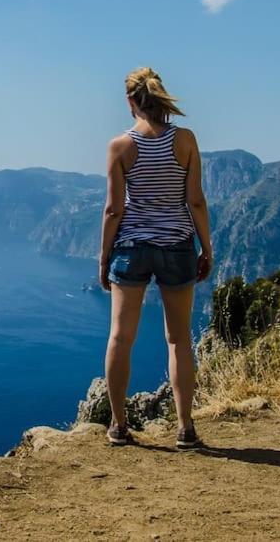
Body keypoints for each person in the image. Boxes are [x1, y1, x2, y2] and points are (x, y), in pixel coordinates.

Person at [98, 67, 212, 448]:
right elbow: (195, 200)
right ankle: (185, 429)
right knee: (178, 340)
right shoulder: (185, 141)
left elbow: (114, 210)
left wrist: (103, 258)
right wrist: (206, 247)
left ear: (130, 102)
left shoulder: (120, 147)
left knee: (120, 337)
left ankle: (118, 426)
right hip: (178, 246)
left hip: (131, 248)